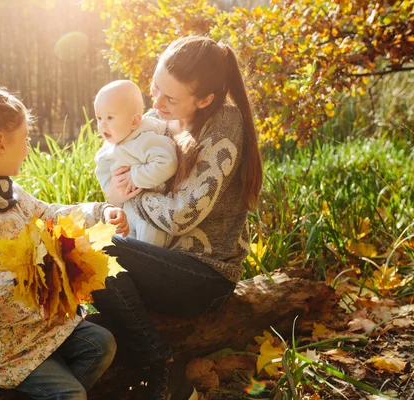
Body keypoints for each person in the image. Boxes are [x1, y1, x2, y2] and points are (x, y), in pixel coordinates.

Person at [0, 68, 126, 400]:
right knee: (71, 395)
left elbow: (48, 214)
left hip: (35, 325)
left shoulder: (7, 191)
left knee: (102, 344)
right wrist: (18, 278)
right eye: (26, 139)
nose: (28, 148)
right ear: (0, 142)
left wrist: (98, 212)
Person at [91, 36, 263, 400]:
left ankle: (161, 368)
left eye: (170, 97)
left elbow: (180, 216)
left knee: (99, 250)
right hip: (159, 258)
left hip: (204, 273)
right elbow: (114, 179)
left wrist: (134, 196)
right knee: (81, 243)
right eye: (155, 87)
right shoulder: (155, 119)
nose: (156, 102)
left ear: (204, 100)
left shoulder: (224, 124)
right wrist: (116, 205)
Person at [94, 79, 177, 247]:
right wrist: (113, 194)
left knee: (147, 248)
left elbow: (167, 162)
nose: (102, 124)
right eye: (99, 118)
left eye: (110, 117)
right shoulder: (107, 149)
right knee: (117, 248)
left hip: (150, 213)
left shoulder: (145, 138)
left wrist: (134, 176)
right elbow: (102, 172)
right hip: (126, 210)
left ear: (134, 121)